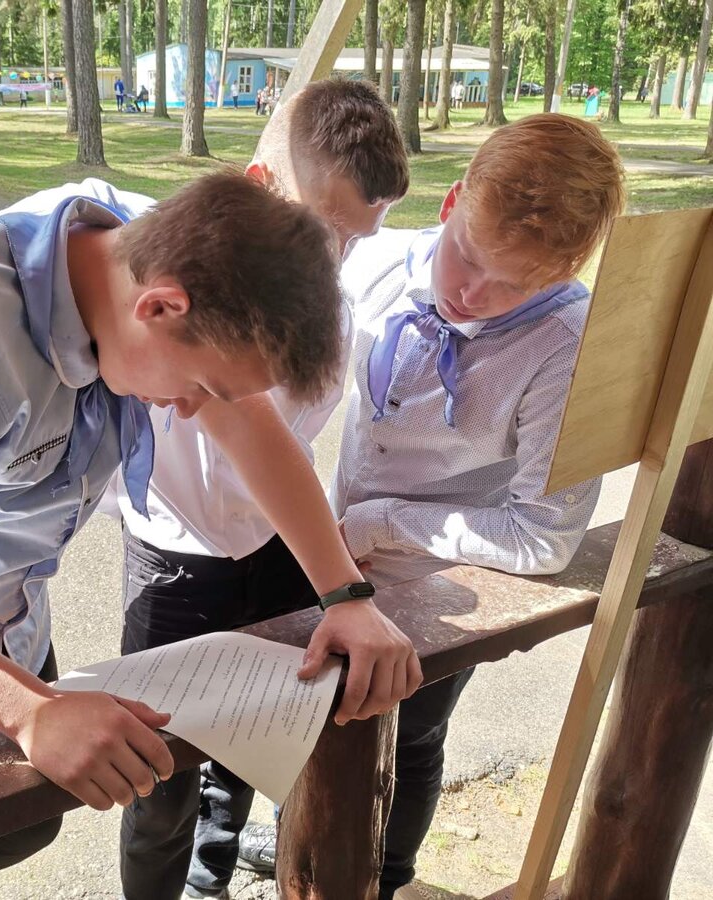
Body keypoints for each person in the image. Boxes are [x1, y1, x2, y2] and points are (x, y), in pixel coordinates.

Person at [0, 172, 349, 882]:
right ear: (159, 307)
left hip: (11, 621)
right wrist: (27, 711)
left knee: (22, 825)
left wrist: (345, 595)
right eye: (201, 386)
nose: (191, 411)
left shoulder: (146, 258)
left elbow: (247, 422)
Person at [110, 79, 415, 900]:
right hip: (173, 559)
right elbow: (246, 428)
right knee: (155, 777)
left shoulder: (334, 311)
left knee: (259, 736)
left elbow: (287, 446)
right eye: (323, 231)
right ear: (258, 187)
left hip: (281, 550)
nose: (335, 261)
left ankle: (211, 876)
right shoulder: (165, 297)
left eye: (357, 240)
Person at [330, 113, 624, 899]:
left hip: (440, 583)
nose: (469, 294)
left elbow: (543, 538)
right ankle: (311, 847)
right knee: (314, 722)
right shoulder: (377, 261)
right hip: (332, 558)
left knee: (412, 736)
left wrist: (383, 522)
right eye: (465, 254)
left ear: (565, 270)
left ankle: (388, 879)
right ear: (452, 200)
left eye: (513, 285)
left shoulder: (567, 347)